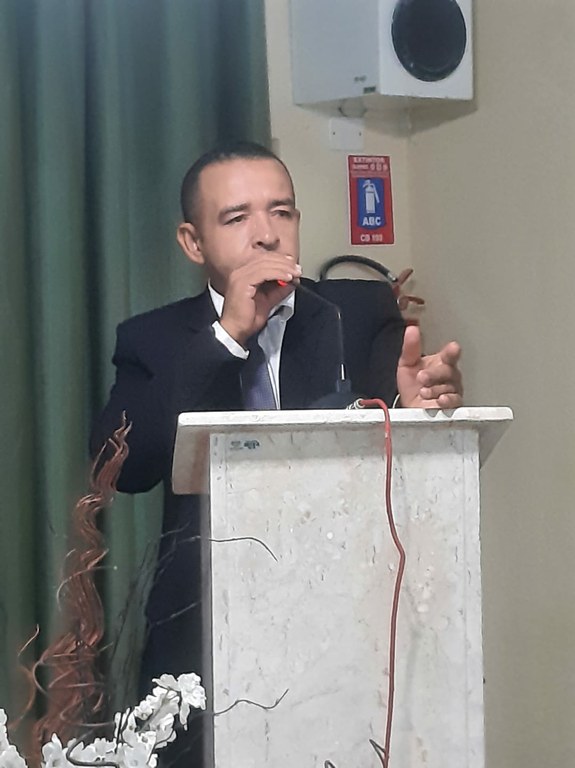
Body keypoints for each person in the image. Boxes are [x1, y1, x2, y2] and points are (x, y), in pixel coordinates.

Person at [90, 140, 462, 764]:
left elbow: (396, 416)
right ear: (193, 242)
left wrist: (415, 404)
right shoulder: (154, 338)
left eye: (281, 212)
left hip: (346, 619)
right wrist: (228, 337)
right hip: (200, 632)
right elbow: (119, 469)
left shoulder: (355, 313)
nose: (266, 234)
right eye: (237, 218)